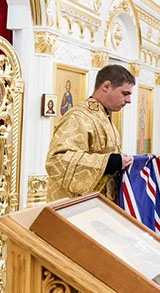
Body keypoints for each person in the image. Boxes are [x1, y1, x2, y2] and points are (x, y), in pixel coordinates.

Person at [46, 65, 135, 202]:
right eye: (125, 93)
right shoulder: (78, 116)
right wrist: (110, 162)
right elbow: (56, 161)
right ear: (106, 86)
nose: (129, 101)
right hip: (76, 207)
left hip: (100, 205)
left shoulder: (103, 116)